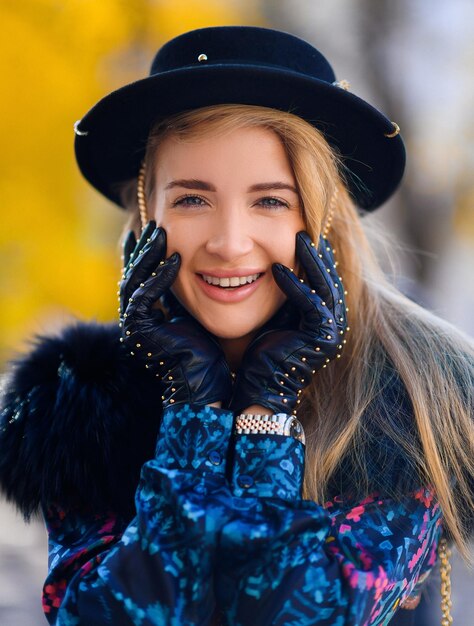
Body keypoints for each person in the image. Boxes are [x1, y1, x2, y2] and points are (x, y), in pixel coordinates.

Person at [0, 25, 472, 626]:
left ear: (320, 217)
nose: (228, 243)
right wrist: (193, 411)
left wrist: (265, 412)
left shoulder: (407, 402)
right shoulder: (83, 409)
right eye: (193, 199)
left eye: (270, 200)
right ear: (149, 213)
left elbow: (293, 613)